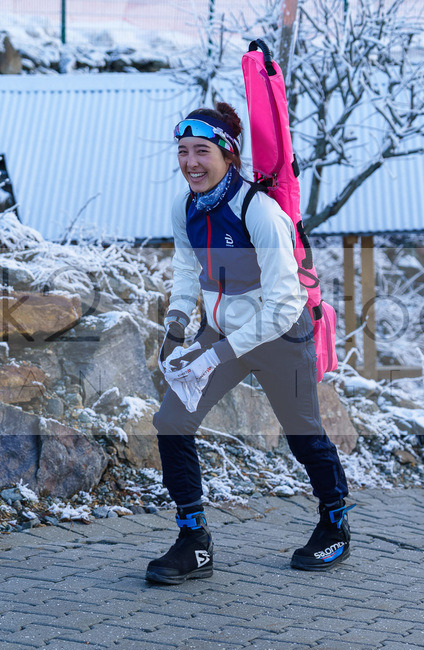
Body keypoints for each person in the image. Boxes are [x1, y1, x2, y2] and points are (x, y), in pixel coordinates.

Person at [145, 103, 353, 585]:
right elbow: (185, 270)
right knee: (172, 420)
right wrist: (176, 328)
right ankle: (194, 543)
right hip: (221, 331)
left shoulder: (259, 211)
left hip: (281, 334)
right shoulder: (185, 206)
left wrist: (215, 354)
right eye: (182, 152)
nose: (191, 162)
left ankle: (335, 523)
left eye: (202, 151)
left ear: (228, 155)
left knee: (303, 433)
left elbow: (284, 303)